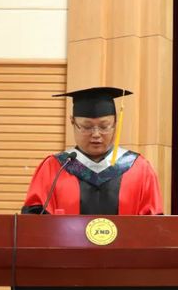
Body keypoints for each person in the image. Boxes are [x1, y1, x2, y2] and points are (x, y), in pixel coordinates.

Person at [21, 87, 163, 215]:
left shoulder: (139, 168)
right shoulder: (54, 167)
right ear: (72, 122)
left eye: (104, 126)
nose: (96, 134)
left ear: (115, 123)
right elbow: (34, 223)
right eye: (87, 127)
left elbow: (153, 226)